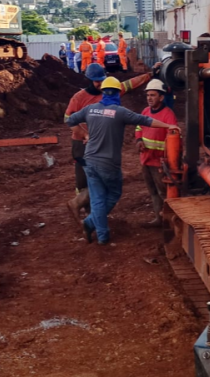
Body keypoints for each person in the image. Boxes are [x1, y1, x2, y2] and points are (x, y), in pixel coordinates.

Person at [66, 77, 171, 245]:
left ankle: (102, 236)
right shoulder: (120, 112)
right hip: (108, 163)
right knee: (114, 193)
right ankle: (90, 222)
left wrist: (85, 135)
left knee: (98, 198)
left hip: (90, 160)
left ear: (103, 92)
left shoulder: (90, 109)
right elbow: (145, 120)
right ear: (117, 93)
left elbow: (69, 120)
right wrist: (169, 126)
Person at [64, 63, 152, 221]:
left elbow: (130, 83)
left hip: (100, 143)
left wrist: (150, 74)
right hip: (82, 143)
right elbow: (67, 119)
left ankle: (92, 214)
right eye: (97, 81)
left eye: (102, 80)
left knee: (99, 176)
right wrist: (84, 134)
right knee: (85, 177)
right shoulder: (79, 98)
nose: (100, 84)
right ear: (90, 80)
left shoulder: (109, 90)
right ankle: (84, 208)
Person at [134, 79, 177, 226]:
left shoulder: (168, 115)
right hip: (145, 159)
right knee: (152, 192)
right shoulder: (145, 112)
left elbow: (174, 138)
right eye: (148, 95)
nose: (149, 98)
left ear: (161, 97)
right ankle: (159, 219)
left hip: (159, 162)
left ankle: (169, 221)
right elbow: (139, 128)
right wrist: (139, 140)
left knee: (163, 192)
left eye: (153, 95)